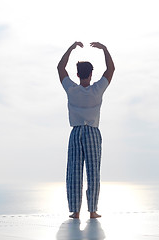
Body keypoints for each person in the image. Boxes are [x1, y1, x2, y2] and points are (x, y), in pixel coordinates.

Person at [57, 42, 115, 219]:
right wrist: (104, 49)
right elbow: (111, 69)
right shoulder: (97, 90)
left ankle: (75, 212)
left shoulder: (72, 90)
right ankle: (93, 211)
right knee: (93, 171)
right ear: (91, 74)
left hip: (75, 133)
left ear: (77, 74)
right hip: (92, 132)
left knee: (74, 171)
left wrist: (71, 47)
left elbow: (60, 68)